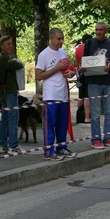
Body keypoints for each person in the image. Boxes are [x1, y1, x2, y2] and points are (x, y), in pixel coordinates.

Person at [36, 28, 77, 160]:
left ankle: (61, 148)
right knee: (50, 123)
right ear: (51, 38)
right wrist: (56, 68)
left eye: (62, 38)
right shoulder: (44, 55)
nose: (61, 41)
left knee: (62, 123)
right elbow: (39, 75)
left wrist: (71, 73)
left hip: (63, 93)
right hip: (51, 94)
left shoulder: (63, 52)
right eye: (59, 39)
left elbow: (68, 69)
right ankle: (48, 151)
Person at [81, 22, 110, 149]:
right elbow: (83, 61)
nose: (98, 32)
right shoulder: (89, 43)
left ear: (106, 31)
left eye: (101, 30)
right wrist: (84, 68)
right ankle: (96, 139)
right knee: (95, 113)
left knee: (109, 112)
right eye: (96, 29)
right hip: (93, 82)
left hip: (107, 81)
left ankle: (108, 137)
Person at [0, 35, 24, 154]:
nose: (11, 46)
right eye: (8, 44)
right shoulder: (4, 59)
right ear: (1, 46)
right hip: (9, 92)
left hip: (5, 92)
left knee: (5, 119)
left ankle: (3, 145)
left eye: (11, 44)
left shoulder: (1, 58)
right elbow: (19, 65)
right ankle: (13, 145)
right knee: (12, 118)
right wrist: (15, 61)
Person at [75, 33, 92, 124]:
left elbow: (77, 61)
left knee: (81, 96)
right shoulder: (89, 48)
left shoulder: (77, 49)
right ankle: (86, 117)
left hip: (79, 73)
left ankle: (79, 114)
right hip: (88, 73)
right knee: (87, 97)